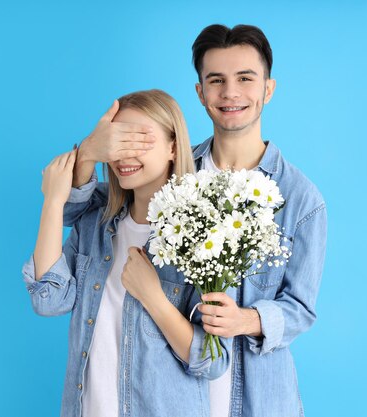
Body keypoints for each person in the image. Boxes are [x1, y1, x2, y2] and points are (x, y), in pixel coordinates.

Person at [64, 25, 327, 417]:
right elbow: (85, 212)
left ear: (268, 89)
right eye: (216, 80)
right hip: (170, 392)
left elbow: (301, 308)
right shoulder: (173, 171)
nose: (230, 93)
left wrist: (247, 319)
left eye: (245, 79)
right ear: (200, 93)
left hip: (258, 396)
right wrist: (87, 155)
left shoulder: (302, 199)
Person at [23, 89, 232, 417]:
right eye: (117, 142)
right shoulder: (95, 221)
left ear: (173, 146)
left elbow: (212, 360)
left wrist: (154, 298)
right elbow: (49, 301)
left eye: (139, 139)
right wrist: (52, 201)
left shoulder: (205, 236)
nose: (124, 154)